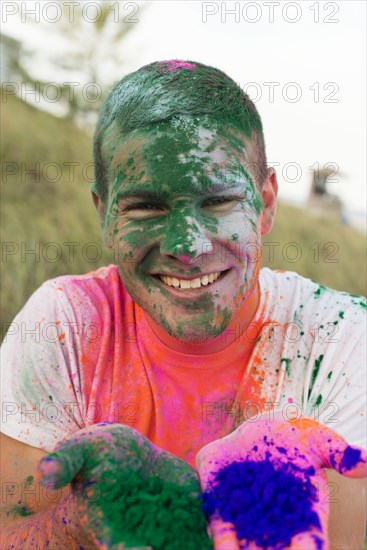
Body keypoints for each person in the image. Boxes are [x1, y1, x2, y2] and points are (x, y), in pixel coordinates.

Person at [1, 60, 366, 549]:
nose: (187, 246)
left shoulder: (341, 335)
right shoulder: (66, 323)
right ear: (104, 214)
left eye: (217, 201)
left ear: (267, 204)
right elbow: (11, 526)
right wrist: (76, 524)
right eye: (146, 206)